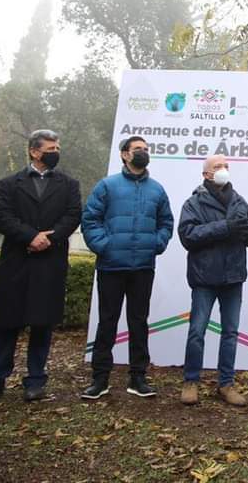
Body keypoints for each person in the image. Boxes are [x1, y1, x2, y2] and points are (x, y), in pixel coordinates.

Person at [0, 130, 82, 404]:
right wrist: (30, 236)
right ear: (34, 151)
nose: (55, 151)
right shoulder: (9, 183)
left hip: (50, 261)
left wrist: (50, 237)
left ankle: (35, 380)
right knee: (6, 324)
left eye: (58, 147)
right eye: (51, 147)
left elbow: (73, 216)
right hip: (17, 261)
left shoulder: (68, 184)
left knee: (42, 324)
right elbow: (1, 217)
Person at [80, 136, 174, 400]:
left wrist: (156, 243)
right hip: (111, 266)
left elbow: (166, 222)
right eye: (137, 150)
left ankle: (138, 378)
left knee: (138, 322)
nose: (143, 153)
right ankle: (100, 380)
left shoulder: (157, 189)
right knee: (107, 322)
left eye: (146, 150)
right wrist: (105, 246)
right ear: (124, 155)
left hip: (143, 266)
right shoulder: (107, 186)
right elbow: (90, 219)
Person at [178, 154, 248, 407]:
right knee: (197, 331)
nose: (223, 170)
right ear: (206, 174)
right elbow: (188, 236)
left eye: (226, 166)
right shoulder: (193, 203)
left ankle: (226, 384)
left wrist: (246, 230)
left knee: (230, 333)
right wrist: (226, 227)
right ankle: (191, 381)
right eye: (217, 167)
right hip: (204, 278)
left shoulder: (239, 201)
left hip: (233, 278)